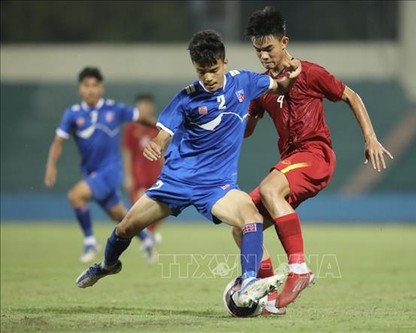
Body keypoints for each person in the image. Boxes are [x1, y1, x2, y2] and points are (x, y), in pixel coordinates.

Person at [75, 30, 302, 309]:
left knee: (251, 217)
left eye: (213, 70)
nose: (207, 77)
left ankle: (249, 283)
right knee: (124, 228)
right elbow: (163, 133)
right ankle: (107, 265)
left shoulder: (245, 82)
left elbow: (281, 84)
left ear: (225, 62)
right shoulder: (186, 98)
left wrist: (294, 68)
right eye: (201, 71)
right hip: (177, 182)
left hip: (216, 186)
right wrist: (156, 145)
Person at [232, 7, 394, 314]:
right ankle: (267, 291)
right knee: (243, 225)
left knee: (268, 189)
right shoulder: (261, 86)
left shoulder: (310, 73)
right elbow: (248, 130)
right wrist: (232, 114)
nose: (263, 56)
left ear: (284, 41)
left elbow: (351, 96)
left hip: (315, 155)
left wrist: (370, 137)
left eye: (268, 49)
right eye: (257, 51)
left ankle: (299, 270)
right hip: (291, 161)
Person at [44, 67, 158, 264]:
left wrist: (164, 130)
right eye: (86, 85)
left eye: (94, 85)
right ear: (80, 89)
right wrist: (51, 166)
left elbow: (141, 117)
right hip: (92, 172)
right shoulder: (73, 113)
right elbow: (58, 141)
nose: (90, 90)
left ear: (101, 88)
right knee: (119, 215)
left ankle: (90, 241)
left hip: (111, 171)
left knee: (76, 195)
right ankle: (146, 238)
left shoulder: (114, 109)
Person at [123, 94, 164, 250]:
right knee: (139, 208)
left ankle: (149, 235)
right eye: (141, 106)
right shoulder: (131, 129)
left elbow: (162, 152)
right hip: (138, 175)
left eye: (147, 105)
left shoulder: (158, 128)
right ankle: (146, 236)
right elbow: (127, 153)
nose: (144, 109)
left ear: (152, 107)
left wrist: (166, 170)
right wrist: (128, 176)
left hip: (156, 173)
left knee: (163, 207)